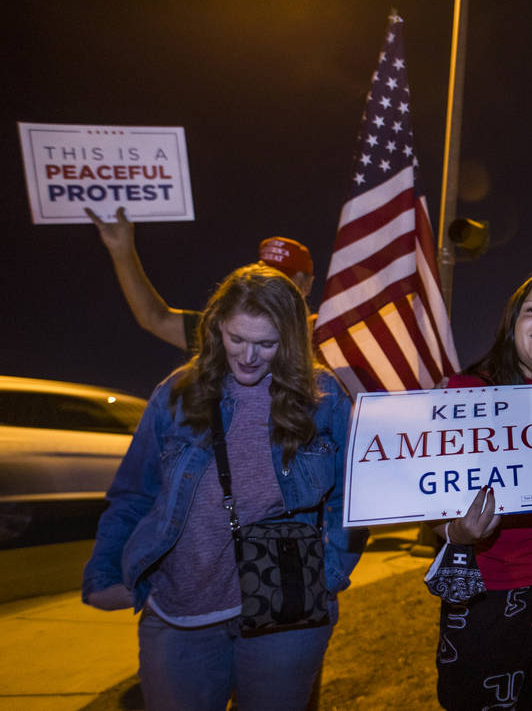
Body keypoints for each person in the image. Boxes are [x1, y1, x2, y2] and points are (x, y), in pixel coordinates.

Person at [81, 264, 360, 710]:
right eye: (237, 339)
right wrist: (106, 573)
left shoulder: (323, 397)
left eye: (266, 344)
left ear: (289, 340)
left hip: (286, 613)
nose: (248, 356)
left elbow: (352, 499)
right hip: (179, 609)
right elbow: (134, 493)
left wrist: (326, 577)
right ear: (216, 329)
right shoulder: (176, 394)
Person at [432, 272, 532, 710]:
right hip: (485, 596)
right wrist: (457, 532)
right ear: (512, 324)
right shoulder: (465, 394)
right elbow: (433, 510)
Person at [87, 205, 315, 352]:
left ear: (306, 284)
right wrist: (122, 251)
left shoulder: (325, 335)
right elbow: (154, 318)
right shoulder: (224, 329)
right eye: (264, 275)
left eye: (282, 279)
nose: (270, 285)